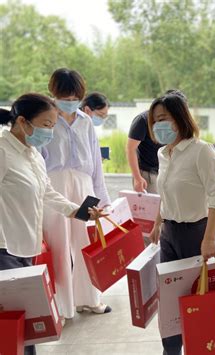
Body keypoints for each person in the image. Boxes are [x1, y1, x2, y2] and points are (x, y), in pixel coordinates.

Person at [0, 93, 105, 355]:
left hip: (27, 247)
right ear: (23, 122)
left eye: (52, 125)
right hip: (4, 248)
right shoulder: (2, 151)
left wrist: (81, 212)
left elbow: (48, 193)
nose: (50, 131)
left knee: (26, 323)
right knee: (11, 325)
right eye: (46, 125)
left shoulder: (33, 154)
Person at [147, 89, 215, 355]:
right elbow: (166, 192)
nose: (159, 125)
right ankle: (170, 351)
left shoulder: (201, 151)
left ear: (180, 118)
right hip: (169, 234)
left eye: (164, 118)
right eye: (155, 119)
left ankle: (200, 347)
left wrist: (210, 238)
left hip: (196, 234)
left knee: (196, 299)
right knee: (169, 301)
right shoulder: (163, 154)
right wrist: (158, 222)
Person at [41, 68, 112, 320]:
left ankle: (90, 300)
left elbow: (95, 162)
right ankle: (62, 306)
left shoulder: (85, 121)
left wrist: (102, 199)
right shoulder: (43, 119)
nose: (70, 102)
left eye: (75, 97)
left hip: (84, 187)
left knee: (86, 245)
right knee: (58, 246)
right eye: (65, 96)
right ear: (54, 93)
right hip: (54, 184)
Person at [127, 110, 163, 193]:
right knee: (149, 204)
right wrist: (137, 177)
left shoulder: (175, 120)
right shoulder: (142, 120)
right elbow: (130, 149)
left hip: (165, 171)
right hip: (148, 173)